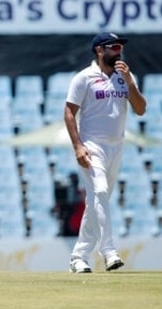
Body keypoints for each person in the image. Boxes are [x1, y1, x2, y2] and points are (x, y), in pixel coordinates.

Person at [64, 32, 146, 273]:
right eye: (114, 47)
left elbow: (140, 110)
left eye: (120, 47)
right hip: (92, 146)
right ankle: (108, 251)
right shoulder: (84, 78)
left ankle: (78, 257)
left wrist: (129, 82)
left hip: (116, 146)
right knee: (99, 191)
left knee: (98, 200)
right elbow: (69, 112)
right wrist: (78, 146)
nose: (119, 51)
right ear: (100, 50)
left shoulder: (125, 78)